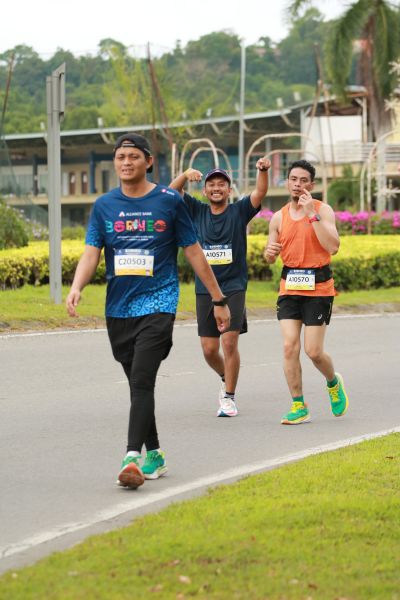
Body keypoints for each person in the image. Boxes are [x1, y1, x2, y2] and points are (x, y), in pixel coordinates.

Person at [66, 133, 230, 489]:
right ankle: (154, 452)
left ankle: (131, 457)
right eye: (121, 157)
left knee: (141, 379)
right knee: (138, 383)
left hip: (159, 302)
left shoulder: (169, 201)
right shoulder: (104, 205)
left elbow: (193, 251)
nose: (126, 162)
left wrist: (218, 300)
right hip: (118, 309)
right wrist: (77, 286)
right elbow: (92, 252)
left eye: (134, 156)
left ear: (148, 161)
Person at [169, 158, 270, 417]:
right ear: (205, 191)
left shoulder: (239, 211)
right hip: (205, 288)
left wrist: (262, 170)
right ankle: (226, 376)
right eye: (211, 185)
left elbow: (260, 192)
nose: (216, 188)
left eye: (221, 184)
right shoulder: (197, 210)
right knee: (209, 350)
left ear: (229, 189)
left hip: (233, 287)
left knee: (229, 342)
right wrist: (185, 175)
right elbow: (171, 193)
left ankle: (229, 397)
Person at [264, 159, 349, 425]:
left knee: (313, 351)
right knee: (289, 346)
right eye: (293, 179)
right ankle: (299, 405)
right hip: (289, 285)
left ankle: (333, 382)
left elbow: (333, 246)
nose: (298, 185)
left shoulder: (323, 210)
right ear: (287, 182)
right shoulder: (278, 217)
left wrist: (312, 214)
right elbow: (270, 255)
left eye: (303, 180)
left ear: (311, 185)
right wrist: (269, 253)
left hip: (319, 287)